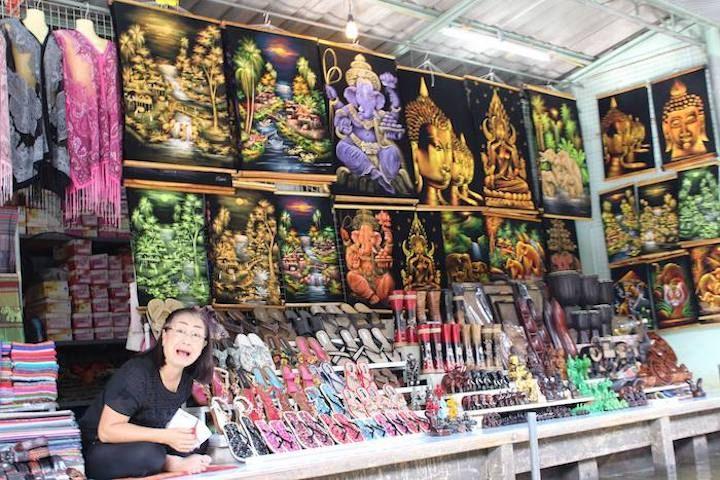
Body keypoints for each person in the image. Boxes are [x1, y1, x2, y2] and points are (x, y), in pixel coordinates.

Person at [79, 307, 215, 479]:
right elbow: (107, 431)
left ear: (203, 346)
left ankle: (168, 459)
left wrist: (178, 436)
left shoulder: (186, 381)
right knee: (152, 455)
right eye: (180, 330)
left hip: (144, 440)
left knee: (199, 442)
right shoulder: (138, 373)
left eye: (196, 335)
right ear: (164, 336)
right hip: (100, 447)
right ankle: (168, 462)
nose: (187, 340)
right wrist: (166, 437)